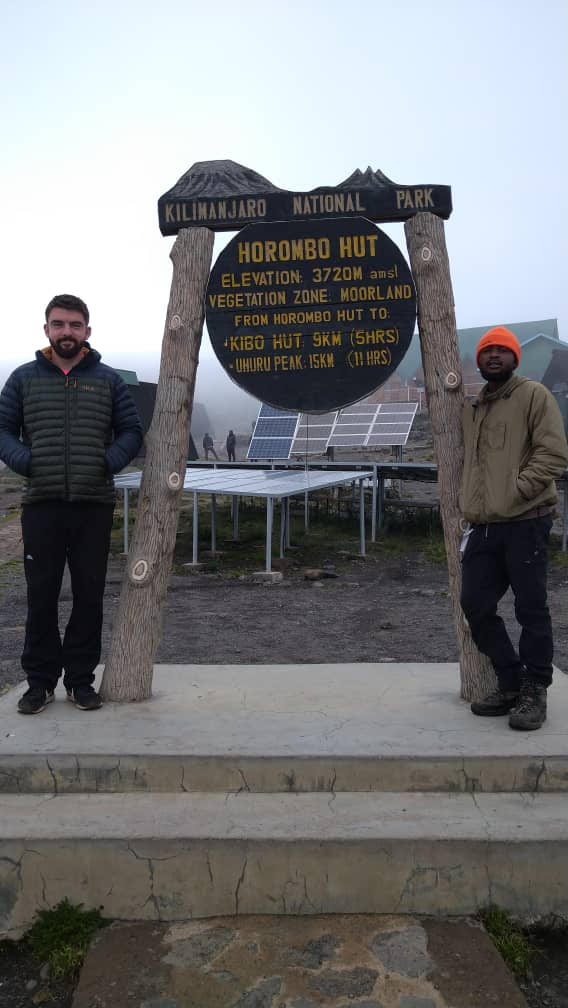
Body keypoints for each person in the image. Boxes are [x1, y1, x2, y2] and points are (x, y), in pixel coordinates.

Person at [0, 294, 143, 715]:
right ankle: (40, 683)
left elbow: (131, 430)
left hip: (93, 505)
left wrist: (107, 462)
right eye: (59, 324)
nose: (67, 332)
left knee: (89, 596)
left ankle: (80, 681)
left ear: (87, 331)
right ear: (46, 329)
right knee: (41, 596)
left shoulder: (108, 380)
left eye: (75, 325)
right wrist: (26, 462)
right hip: (41, 505)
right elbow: (3, 430)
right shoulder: (23, 379)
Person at [459, 325, 568, 730]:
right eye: (487, 351)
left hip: (526, 521)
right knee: (475, 604)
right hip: (484, 526)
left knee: (531, 608)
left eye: (501, 351)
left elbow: (553, 453)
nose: (493, 356)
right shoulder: (474, 408)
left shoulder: (533, 396)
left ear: (514, 359)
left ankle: (535, 689)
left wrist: (518, 491)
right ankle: (510, 680)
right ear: (479, 360)